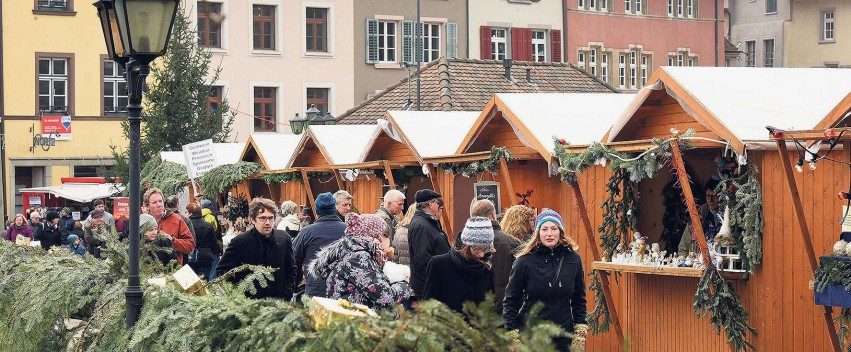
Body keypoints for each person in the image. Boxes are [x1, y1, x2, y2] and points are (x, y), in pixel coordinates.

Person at [503, 210, 586, 351]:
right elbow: (511, 300)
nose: (549, 234)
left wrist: (580, 335)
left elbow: (579, 299)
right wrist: (513, 336)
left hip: (563, 336)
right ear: (538, 232)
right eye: (544, 229)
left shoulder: (573, 259)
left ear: (560, 231)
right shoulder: (524, 261)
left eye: (554, 229)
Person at [308, 213, 411, 310]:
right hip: (359, 322)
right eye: (387, 237)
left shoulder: (356, 253)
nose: (389, 241)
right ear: (378, 237)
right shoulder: (358, 258)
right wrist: (405, 284)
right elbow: (384, 297)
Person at [217, 197, 297, 300]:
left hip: (278, 303)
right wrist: (237, 296)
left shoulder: (284, 239)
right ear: (253, 219)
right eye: (262, 218)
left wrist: (286, 294)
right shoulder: (240, 242)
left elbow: (291, 269)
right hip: (248, 305)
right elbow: (222, 271)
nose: (267, 222)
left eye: (271, 218)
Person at [423, 216, 495, 313]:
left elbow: (489, 309)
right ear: (465, 245)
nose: (482, 254)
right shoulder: (439, 265)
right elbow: (428, 307)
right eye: (477, 248)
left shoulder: (485, 268)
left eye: (485, 249)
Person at [469, 200, 521, 313]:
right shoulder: (513, 242)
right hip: (506, 307)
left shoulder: (465, 244)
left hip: (476, 310)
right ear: (493, 215)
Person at [293, 193, 346, 297]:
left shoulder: (307, 232)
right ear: (334, 209)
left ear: (317, 211)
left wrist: (294, 286)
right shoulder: (348, 230)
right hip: (344, 291)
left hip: (316, 291)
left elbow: (293, 260)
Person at [408, 189, 451, 299]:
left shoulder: (427, 222)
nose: (438, 206)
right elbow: (423, 259)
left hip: (432, 284)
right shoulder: (422, 225)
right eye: (437, 203)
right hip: (427, 288)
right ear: (431, 204)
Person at [145, 188, 195, 266]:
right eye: (154, 202)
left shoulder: (177, 220)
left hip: (172, 270)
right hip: (148, 270)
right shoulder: (143, 222)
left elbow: (190, 245)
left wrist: (172, 240)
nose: (159, 205)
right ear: (147, 206)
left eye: (160, 201)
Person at [678, 178, 724, 257]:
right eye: (708, 196)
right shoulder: (698, 215)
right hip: (700, 264)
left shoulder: (731, 217)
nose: (710, 200)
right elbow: (683, 248)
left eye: (714, 196)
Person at [187, 203, 218, 279]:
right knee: (204, 281)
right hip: (206, 256)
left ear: (190, 213)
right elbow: (213, 243)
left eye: (187, 212)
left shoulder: (186, 226)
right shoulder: (208, 225)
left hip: (191, 256)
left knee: (191, 282)